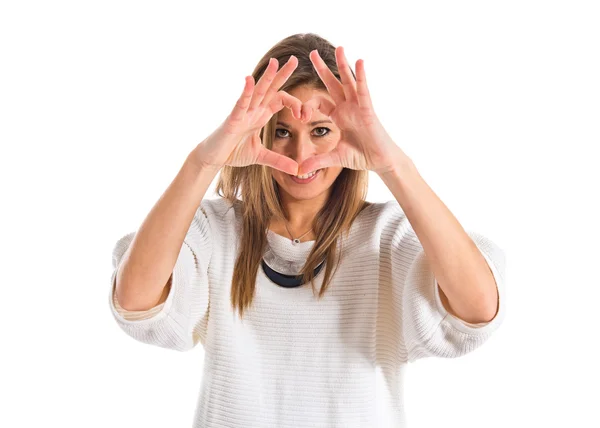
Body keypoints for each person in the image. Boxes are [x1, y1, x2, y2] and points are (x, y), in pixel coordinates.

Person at [108, 33, 506, 428]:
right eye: (283, 132)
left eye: (320, 131)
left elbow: (477, 312)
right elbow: (136, 303)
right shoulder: (216, 229)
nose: (301, 157)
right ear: (260, 134)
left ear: (348, 134)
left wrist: (392, 164)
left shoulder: (386, 237)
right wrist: (202, 163)